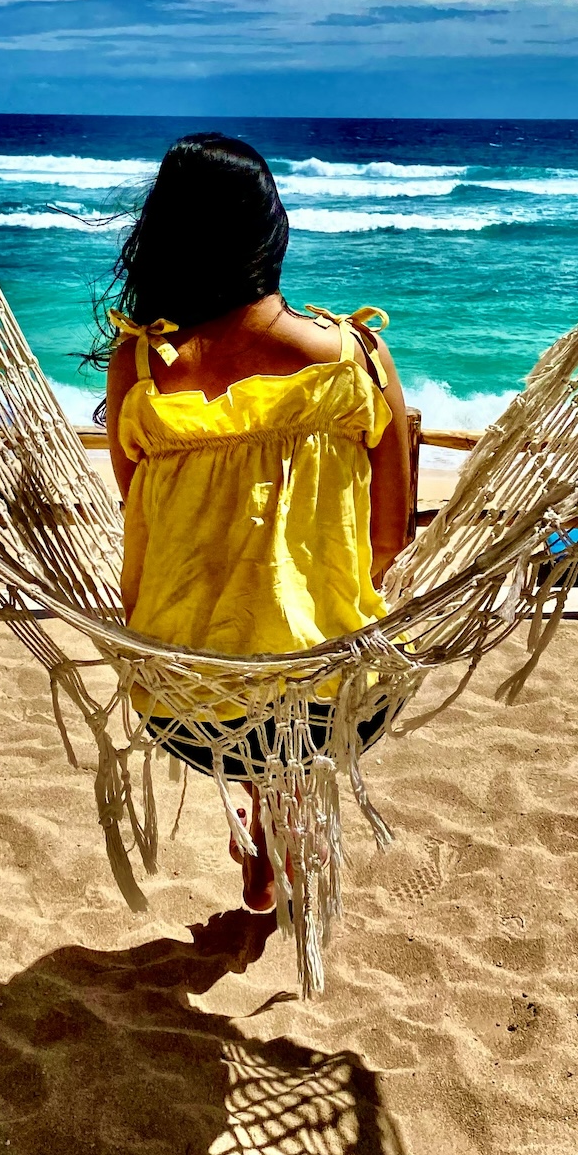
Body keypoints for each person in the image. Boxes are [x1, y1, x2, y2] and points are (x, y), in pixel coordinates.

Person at [103, 131, 410, 913]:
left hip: (183, 697)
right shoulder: (358, 360)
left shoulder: (138, 367)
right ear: (274, 232)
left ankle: (261, 824)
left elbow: (140, 507)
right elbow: (390, 538)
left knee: (232, 648)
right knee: (291, 659)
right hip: (336, 690)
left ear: (165, 238)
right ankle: (278, 811)